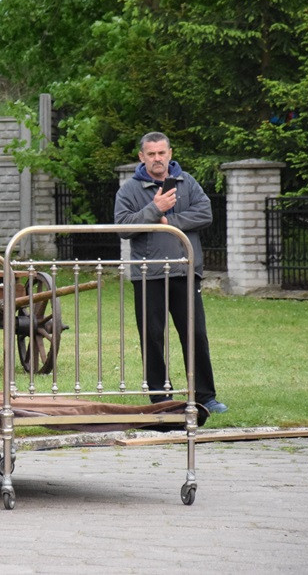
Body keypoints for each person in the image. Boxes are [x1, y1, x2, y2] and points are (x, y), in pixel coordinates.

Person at [113, 132, 227, 414]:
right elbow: (123, 227)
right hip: (147, 274)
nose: (157, 159)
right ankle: (159, 396)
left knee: (195, 334)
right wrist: (154, 209)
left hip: (185, 271)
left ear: (170, 153)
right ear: (142, 157)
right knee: (152, 335)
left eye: (161, 153)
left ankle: (205, 396)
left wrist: (168, 220)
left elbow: (205, 214)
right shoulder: (130, 190)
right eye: (150, 154)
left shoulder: (187, 183)